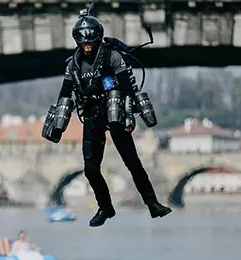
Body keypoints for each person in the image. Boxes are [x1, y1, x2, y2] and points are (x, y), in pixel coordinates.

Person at [49, 12, 172, 227]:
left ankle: (153, 204)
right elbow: (64, 94)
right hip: (91, 114)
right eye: (82, 41)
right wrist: (56, 126)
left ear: (97, 38)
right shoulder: (73, 65)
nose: (87, 46)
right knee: (90, 169)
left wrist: (128, 116)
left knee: (132, 162)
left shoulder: (112, 56)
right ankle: (105, 207)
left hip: (115, 111)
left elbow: (127, 87)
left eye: (90, 41)